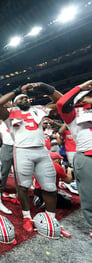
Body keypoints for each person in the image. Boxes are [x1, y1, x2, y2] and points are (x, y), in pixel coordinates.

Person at [0, 82, 63, 232]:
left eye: (25, 97)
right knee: (23, 187)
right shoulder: (10, 114)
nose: (24, 99)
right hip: (22, 151)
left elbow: (61, 102)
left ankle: (51, 219)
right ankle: (27, 217)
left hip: (41, 151)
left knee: (51, 187)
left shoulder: (38, 110)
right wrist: (17, 89)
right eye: (20, 99)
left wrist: (46, 87)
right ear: (14, 103)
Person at [56, 80, 92, 240]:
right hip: (86, 156)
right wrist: (80, 87)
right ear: (82, 99)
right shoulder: (73, 114)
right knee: (88, 195)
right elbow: (61, 102)